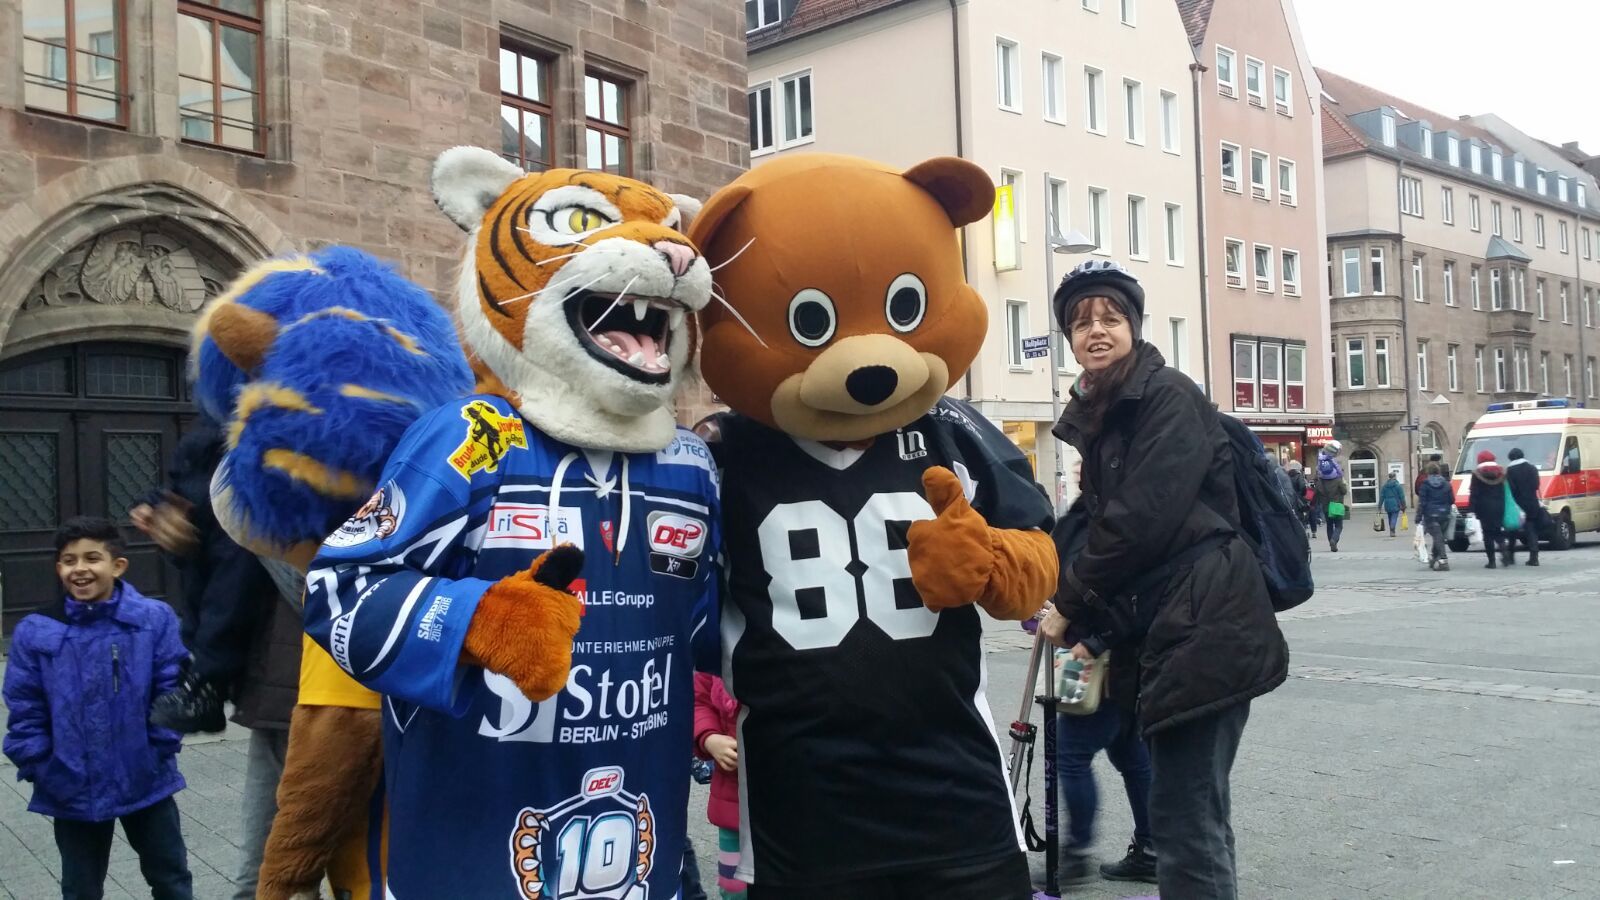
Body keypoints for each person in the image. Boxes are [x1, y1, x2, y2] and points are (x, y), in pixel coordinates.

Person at [1043, 261, 1288, 900]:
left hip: (1207, 626)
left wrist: (1069, 603)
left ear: (1134, 326)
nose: (1096, 331)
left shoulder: (1167, 396)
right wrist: (1088, 621)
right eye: (1081, 323)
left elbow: (1140, 521)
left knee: (1184, 821)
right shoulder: (1105, 413)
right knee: (1195, 813)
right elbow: (1115, 538)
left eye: (1111, 318)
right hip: (1176, 626)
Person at [3, 517, 194, 900]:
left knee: (170, 877)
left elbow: (172, 688)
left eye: (92, 558)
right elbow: (24, 706)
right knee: (81, 888)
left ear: (117, 565)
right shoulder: (36, 630)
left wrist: (157, 749)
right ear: (58, 568)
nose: (80, 569)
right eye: (69, 560)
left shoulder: (153, 620)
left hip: (145, 778)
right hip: (70, 784)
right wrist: (42, 765)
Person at [135, 420, 279, 734]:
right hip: (255, 659)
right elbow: (194, 524)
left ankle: (208, 681)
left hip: (283, 639)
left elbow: (234, 563)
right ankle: (205, 682)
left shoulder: (274, 431)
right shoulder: (211, 433)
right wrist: (162, 510)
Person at [1043, 624, 1156, 886]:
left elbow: (1118, 609)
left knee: (1071, 754)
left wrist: (1073, 624)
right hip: (1128, 662)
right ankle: (1152, 849)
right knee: (1131, 757)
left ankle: (1077, 853)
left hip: (1103, 661)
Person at [695, 673, 749, 899]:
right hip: (733, 804)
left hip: (788, 798)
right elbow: (698, 700)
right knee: (733, 887)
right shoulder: (718, 658)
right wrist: (709, 738)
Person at [1468, 449, 1511, 568]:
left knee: (1487, 534)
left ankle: (1491, 561)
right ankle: (1504, 552)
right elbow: (1504, 491)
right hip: (1499, 506)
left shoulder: (1477, 474)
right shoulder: (1502, 473)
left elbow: (1474, 493)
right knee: (1498, 530)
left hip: (1483, 507)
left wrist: (1471, 509)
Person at [1505, 447, 1543, 566]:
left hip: (1516, 504)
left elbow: (1511, 489)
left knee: (1512, 530)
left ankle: (1510, 556)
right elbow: (1536, 485)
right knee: (1531, 529)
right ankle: (1534, 557)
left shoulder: (1510, 471)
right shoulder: (1532, 468)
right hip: (1532, 503)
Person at [1417, 463, 1455, 571]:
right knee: (1439, 536)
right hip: (1444, 514)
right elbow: (1452, 500)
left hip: (1431, 514)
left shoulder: (1425, 484)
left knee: (1438, 537)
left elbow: (1422, 502)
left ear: (1428, 472)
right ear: (1439, 471)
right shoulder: (1446, 484)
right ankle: (1434, 558)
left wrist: (1418, 516)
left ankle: (1443, 561)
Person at [1314, 444, 1348, 552]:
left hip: (1326, 506)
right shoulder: (1338, 480)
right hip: (1337, 505)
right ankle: (1334, 540)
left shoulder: (1320, 482)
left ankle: (1331, 543)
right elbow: (1344, 491)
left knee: (1329, 525)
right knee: (1338, 525)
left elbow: (1317, 493)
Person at [1380, 473, 1406, 537]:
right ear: (1395, 477)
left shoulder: (1385, 486)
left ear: (1389, 477)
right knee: (1394, 517)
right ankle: (1392, 529)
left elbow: (1382, 497)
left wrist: (1379, 506)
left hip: (1387, 503)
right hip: (1395, 503)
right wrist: (1404, 505)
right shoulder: (1398, 486)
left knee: (1390, 517)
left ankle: (1391, 530)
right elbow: (1402, 497)